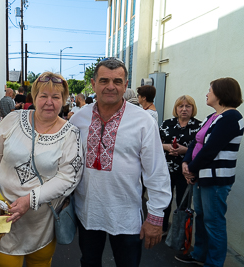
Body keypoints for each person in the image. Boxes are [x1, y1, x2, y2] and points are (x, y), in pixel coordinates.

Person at [0, 71, 83, 267]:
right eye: (43, 96)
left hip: (40, 221)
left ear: (64, 100)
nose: (49, 102)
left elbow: (67, 178)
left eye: (56, 97)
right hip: (2, 215)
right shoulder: (13, 120)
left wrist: (30, 200)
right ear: (34, 98)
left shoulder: (71, 134)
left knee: (41, 262)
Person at [70, 57, 171, 267]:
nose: (110, 87)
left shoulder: (143, 121)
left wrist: (155, 215)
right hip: (87, 211)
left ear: (125, 86)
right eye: (104, 80)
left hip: (125, 214)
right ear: (93, 84)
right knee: (89, 262)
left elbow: (156, 171)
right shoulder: (78, 119)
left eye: (117, 82)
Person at [175, 78, 244, 267]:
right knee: (203, 217)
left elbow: (210, 149)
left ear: (221, 93)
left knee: (214, 223)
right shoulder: (212, 117)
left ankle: (214, 263)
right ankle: (200, 255)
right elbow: (196, 142)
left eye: (210, 90)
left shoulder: (232, 118)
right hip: (201, 176)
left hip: (215, 180)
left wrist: (191, 170)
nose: (207, 93)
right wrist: (186, 162)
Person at [159, 95, 202, 235]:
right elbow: (154, 142)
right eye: (181, 106)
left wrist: (186, 150)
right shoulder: (167, 124)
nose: (184, 109)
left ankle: (180, 235)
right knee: (164, 200)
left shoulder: (199, 127)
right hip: (166, 169)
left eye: (188, 106)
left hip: (187, 171)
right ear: (176, 109)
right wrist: (166, 147)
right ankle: (163, 228)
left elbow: (202, 149)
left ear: (193, 109)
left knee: (183, 203)